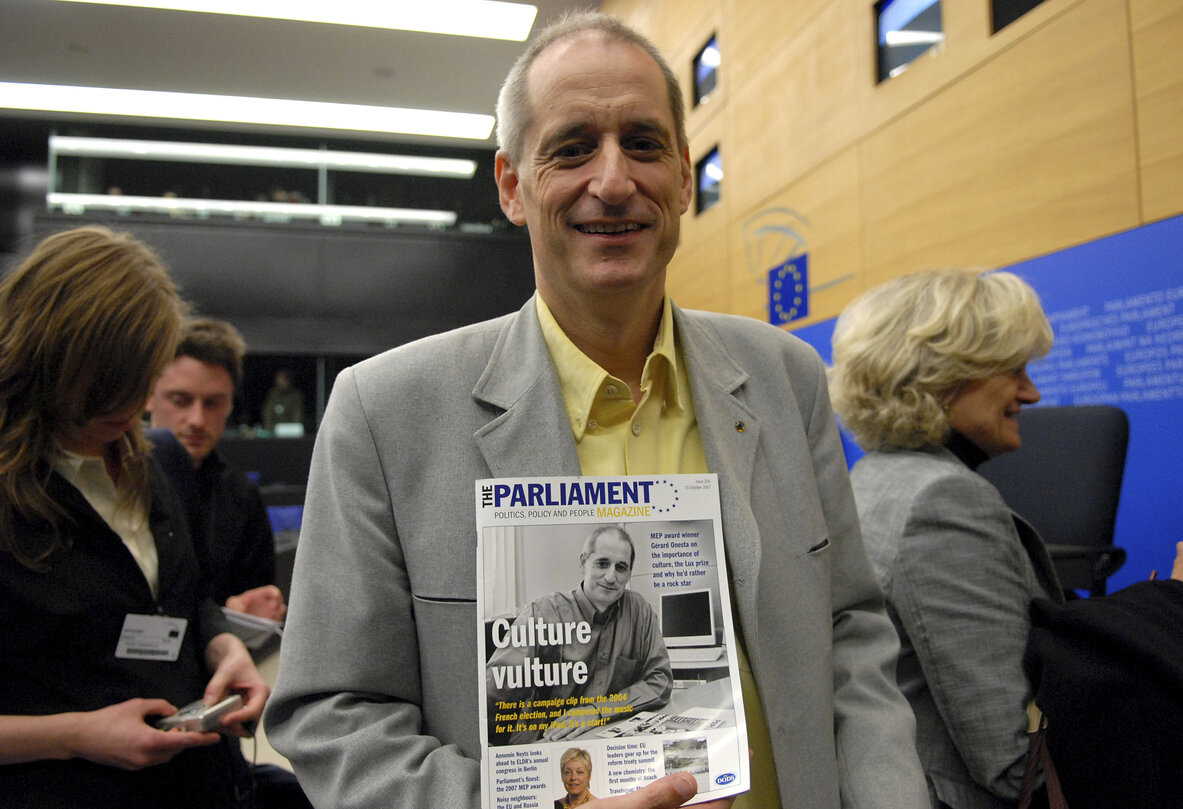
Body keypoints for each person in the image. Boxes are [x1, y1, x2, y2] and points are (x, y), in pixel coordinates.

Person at [265, 12, 926, 809]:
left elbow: (851, 629)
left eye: (643, 144)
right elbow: (333, 716)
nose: (612, 182)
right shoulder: (384, 413)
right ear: (512, 185)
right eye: (572, 147)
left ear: (685, 177)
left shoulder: (783, 376)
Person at [0, 225, 267, 807]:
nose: (125, 409)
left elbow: (180, 601)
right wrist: (71, 736)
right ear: (42, 359)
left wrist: (225, 650)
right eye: (103, 387)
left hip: (200, 785)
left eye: (139, 381)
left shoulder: (162, 461)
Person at [828, 268, 1064, 809]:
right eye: (1014, 369)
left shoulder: (873, 476)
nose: (1032, 391)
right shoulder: (945, 502)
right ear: (942, 378)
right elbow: (1016, 766)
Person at [145, 317, 286, 622]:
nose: (196, 419)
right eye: (180, 400)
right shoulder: (110, 482)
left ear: (230, 405)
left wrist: (248, 611)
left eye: (212, 403)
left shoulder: (241, 497)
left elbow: (257, 598)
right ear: (147, 396)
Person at [486, 526, 671, 744]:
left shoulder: (640, 611)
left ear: (629, 573)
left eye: (621, 568)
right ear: (583, 562)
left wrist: (596, 712)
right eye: (602, 564)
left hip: (606, 732)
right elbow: (495, 692)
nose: (611, 577)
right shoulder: (543, 613)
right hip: (546, 737)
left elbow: (659, 680)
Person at [260, 369, 303, 434]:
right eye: (277, 380)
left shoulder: (295, 396)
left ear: (288, 381)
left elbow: (297, 416)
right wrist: (272, 427)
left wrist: (286, 428)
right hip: (273, 432)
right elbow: (267, 414)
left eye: (282, 380)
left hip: (291, 433)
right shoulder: (273, 395)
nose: (278, 382)